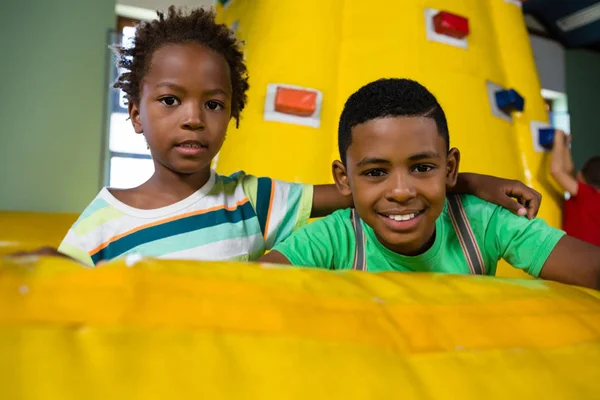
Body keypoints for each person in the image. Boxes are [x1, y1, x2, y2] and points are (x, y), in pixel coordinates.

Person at [18, 8, 542, 267]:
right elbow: (67, 290)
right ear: (134, 114)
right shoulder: (103, 222)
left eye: (214, 104)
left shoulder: (253, 199)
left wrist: (473, 183)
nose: (194, 118)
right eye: (170, 100)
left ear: (232, 116)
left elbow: (377, 190)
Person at [260, 78, 600, 291]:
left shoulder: (481, 223)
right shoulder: (336, 238)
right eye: (376, 172)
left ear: (449, 168)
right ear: (343, 179)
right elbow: (250, 288)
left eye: (422, 167)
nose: (402, 191)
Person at [550, 129, 600, 247]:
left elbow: (556, 171)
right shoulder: (591, 196)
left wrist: (557, 141)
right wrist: (565, 146)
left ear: (580, 175)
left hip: (579, 256)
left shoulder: (588, 195)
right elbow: (568, 173)